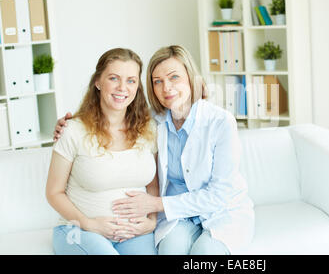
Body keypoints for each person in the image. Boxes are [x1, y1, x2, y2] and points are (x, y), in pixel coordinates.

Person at [54, 45, 254, 255]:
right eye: (157, 81)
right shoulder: (150, 123)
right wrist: (65, 126)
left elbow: (218, 195)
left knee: (205, 254)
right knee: (169, 251)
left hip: (220, 213)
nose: (166, 88)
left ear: (191, 78)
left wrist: (156, 206)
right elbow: (109, 118)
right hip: (179, 218)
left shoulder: (220, 122)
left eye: (174, 77)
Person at [46, 48, 159, 255]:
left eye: (131, 80)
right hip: (79, 230)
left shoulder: (149, 129)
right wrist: (89, 224)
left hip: (135, 234)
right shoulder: (73, 130)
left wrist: (151, 222)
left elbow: (153, 186)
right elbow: (54, 192)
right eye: (114, 78)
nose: (122, 87)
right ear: (98, 82)